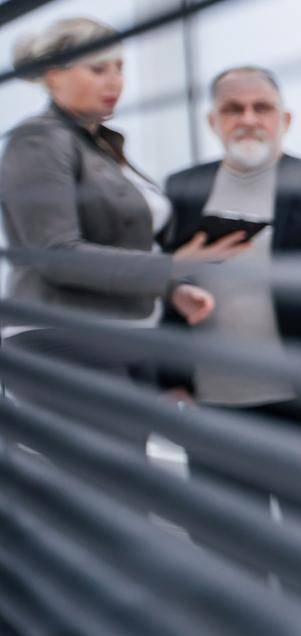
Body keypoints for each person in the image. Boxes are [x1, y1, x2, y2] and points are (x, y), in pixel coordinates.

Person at [157, 65, 301, 589]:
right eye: (233, 108)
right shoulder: (182, 189)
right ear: (213, 121)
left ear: (284, 118)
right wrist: (169, 380)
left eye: (261, 107)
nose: (248, 119)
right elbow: (160, 286)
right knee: (228, 569)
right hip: (212, 413)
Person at [0, 17, 246, 452]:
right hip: (64, 341)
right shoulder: (38, 141)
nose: (114, 80)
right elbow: (55, 252)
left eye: (119, 67)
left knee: (125, 484)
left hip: (122, 336)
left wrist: (171, 288)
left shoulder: (101, 146)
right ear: (54, 72)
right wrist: (173, 267)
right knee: (101, 490)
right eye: (98, 69)